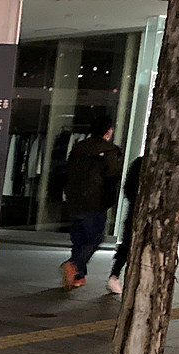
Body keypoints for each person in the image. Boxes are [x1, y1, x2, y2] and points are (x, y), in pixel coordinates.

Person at [60, 115, 124, 290]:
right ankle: (74, 264)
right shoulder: (110, 151)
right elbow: (112, 178)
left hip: (74, 200)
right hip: (95, 201)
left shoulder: (78, 147)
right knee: (94, 238)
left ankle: (78, 276)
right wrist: (109, 201)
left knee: (79, 239)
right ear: (108, 131)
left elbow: (67, 172)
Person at [107, 156, 143, 295]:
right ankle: (115, 275)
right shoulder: (143, 164)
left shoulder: (139, 163)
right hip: (136, 212)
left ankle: (115, 275)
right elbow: (129, 188)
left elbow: (128, 188)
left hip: (134, 211)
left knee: (127, 244)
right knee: (128, 244)